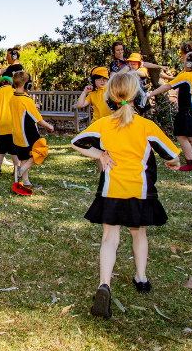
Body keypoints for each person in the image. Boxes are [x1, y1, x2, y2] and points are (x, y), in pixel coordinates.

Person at [71, 73, 182, 319]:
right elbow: (172, 155)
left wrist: (100, 155)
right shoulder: (146, 126)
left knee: (109, 238)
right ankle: (141, 278)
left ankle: (104, 284)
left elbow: (77, 142)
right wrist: (173, 163)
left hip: (111, 190)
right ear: (137, 95)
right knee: (138, 232)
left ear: (110, 96)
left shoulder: (103, 124)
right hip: (139, 191)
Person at [9, 71, 56, 187]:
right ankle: (21, 169)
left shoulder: (13, 98)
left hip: (17, 133)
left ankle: (25, 181)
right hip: (28, 133)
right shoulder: (27, 100)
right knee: (41, 151)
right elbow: (38, 119)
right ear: (26, 85)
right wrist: (49, 126)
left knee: (25, 156)